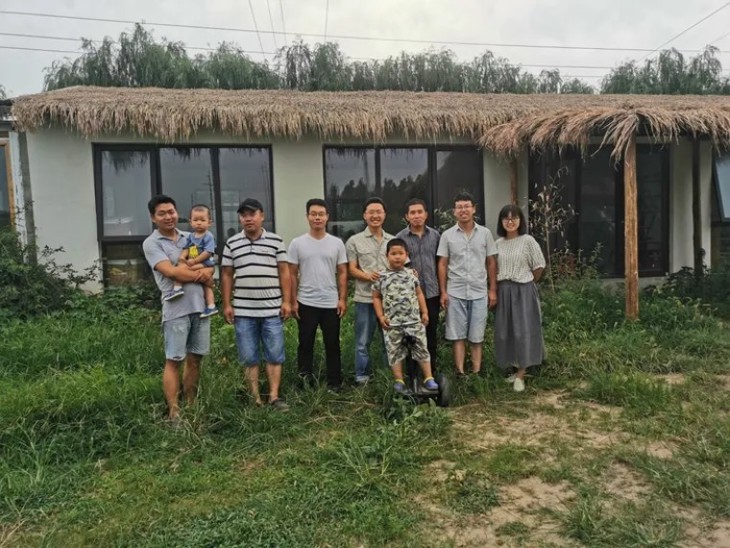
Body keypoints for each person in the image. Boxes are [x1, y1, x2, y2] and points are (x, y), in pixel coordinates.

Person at [142, 195, 214, 423]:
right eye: (162, 213)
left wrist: (208, 272)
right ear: (153, 218)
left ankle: (191, 404)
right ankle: (174, 412)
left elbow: (210, 264)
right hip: (176, 309)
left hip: (200, 307)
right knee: (174, 359)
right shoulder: (152, 243)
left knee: (195, 358)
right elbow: (171, 272)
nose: (168, 216)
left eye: (171, 211)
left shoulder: (189, 237)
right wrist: (203, 275)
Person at [221, 198, 292, 410]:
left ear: (262, 216)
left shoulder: (276, 241)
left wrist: (287, 301)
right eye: (244, 215)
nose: (248, 219)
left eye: (252, 214)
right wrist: (227, 304)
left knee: (275, 354)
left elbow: (284, 272)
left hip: (272, 310)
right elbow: (226, 275)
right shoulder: (232, 243)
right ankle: (255, 399)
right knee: (248, 356)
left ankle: (274, 396)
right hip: (243, 311)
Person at [288, 199, 348, 390]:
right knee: (305, 343)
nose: (317, 218)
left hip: (330, 302)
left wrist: (342, 299)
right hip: (305, 301)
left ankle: (334, 383)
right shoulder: (297, 243)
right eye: (313, 214)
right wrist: (292, 301)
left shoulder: (337, 243)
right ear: (307, 217)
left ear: (327, 217)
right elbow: (291, 273)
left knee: (333, 344)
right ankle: (305, 382)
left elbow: (343, 272)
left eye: (321, 214)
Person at [437, 191, 498, 376]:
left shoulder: (485, 234)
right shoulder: (447, 235)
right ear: (454, 211)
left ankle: (476, 373)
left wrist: (492, 289)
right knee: (457, 335)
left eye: (466, 206)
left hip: (479, 291)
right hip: (455, 291)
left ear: (474, 209)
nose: (463, 210)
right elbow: (442, 264)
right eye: (459, 207)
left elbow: (491, 262)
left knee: (477, 335)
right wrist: (443, 292)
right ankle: (460, 372)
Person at [373, 239, 439, 393]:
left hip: (414, 321)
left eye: (400, 253)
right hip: (392, 323)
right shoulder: (381, 276)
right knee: (394, 351)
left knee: (421, 348)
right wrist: (381, 316)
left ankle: (428, 378)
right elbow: (376, 297)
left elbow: (419, 294)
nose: (397, 257)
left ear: (406, 255)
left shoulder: (411, 274)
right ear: (387, 255)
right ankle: (399, 380)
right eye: (393, 253)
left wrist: (425, 312)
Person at [494, 204, 546, 392]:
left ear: (520, 220)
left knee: (524, 331)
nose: (510, 222)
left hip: (523, 290)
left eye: (514, 218)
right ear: (501, 221)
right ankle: (513, 369)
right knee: (505, 332)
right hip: (503, 290)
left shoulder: (527, 241)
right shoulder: (498, 244)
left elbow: (539, 266)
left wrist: (528, 282)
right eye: (506, 218)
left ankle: (522, 374)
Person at [346, 197, 393, 385]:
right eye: (371, 212)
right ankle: (362, 377)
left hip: (389, 300)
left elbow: (400, 266)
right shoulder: (354, 241)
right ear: (364, 215)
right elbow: (351, 269)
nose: (375, 215)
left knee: (389, 341)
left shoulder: (393, 240)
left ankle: (388, 377)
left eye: (378, 212)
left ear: (384, 215)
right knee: (362, 342)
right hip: (365, 299)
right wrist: (367, 276)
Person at [395, 198, 441, 373]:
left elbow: (441, 263)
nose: (416, 216)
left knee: (430, 334)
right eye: (412, 213)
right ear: (407, 216)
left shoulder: (435, 236)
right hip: (410, 296)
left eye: (419, 212)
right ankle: (412, 373)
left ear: (426, 214)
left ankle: (431, 373)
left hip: (432, 293)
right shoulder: (400, 238)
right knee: (411, 335)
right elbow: (396, 264)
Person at [168, 204, 218, 318]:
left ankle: (177, 288)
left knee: (182, 269)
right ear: (190, 222)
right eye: (195, 220)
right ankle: (211, 306)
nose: (199, 223)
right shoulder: (191, 236)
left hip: (205, 263)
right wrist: (182, 257)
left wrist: (195, 261)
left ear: (209, 222)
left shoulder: (208, 236)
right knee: (207, 286)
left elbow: (208, 252)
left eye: (202, 220)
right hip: (195, 261)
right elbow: (187, 248)